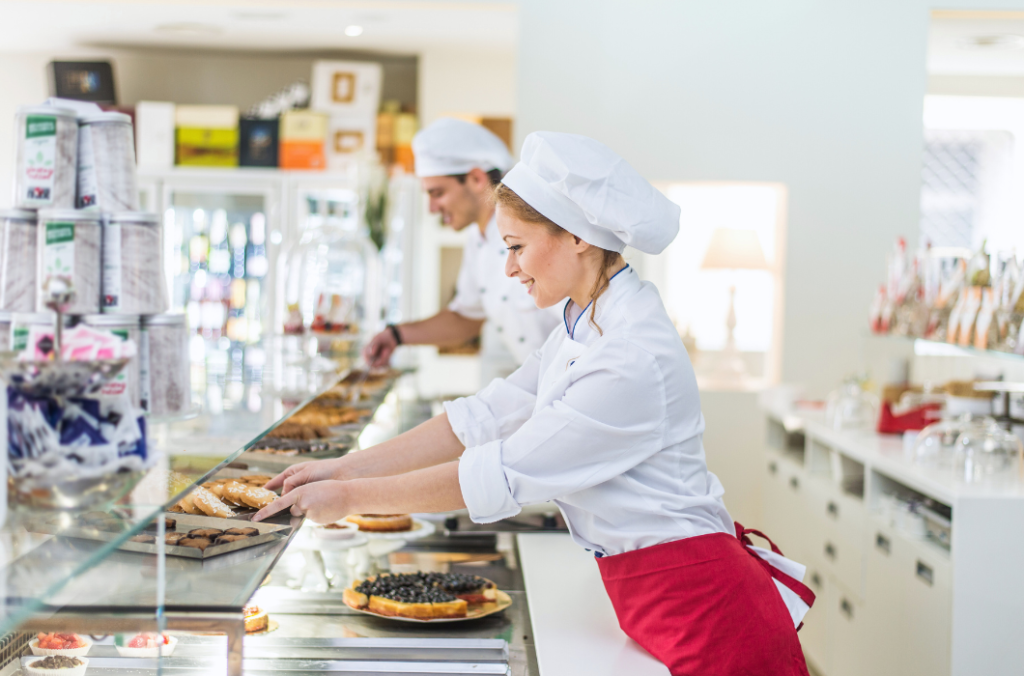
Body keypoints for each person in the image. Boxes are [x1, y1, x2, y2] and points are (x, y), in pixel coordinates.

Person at [256, 131, 814, 676]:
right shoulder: (583, 322)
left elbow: (502, 471)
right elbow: (484, 417)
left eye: (517, 247)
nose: (509, 268)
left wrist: (347, 497)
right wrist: (342, 466)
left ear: (578, 237)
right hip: (656, 597)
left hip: (712, 615)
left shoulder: (629, 355)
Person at [363, 117, 560, 384]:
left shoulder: (536, 232)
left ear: (477, 179)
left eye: (437, 193)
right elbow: (466, 317)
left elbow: (586, 325)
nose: (432, 208)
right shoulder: (477, 239)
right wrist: (396, 335)